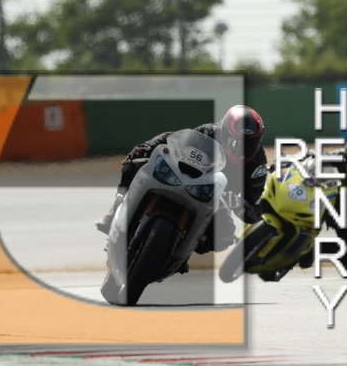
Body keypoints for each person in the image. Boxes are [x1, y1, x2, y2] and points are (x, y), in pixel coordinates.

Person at [95, 105, 269, 271]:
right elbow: (174, 138)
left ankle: (180, 251)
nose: (242, 150)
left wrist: (240, 204)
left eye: (250, 144)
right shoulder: (208, 132)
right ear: (224, 132)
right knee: (135, 165)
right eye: (236, 142)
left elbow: (255, 210)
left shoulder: (258, 165)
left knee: (224, 235)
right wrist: (147, 147)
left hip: (215, 199)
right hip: (183, 176)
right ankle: (116, 208)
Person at [265, 133, 347, 280]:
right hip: (332, 200)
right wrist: (288, 160)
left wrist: (340, 221)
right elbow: (314, 156)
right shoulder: (343, 157)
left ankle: (313, 249)